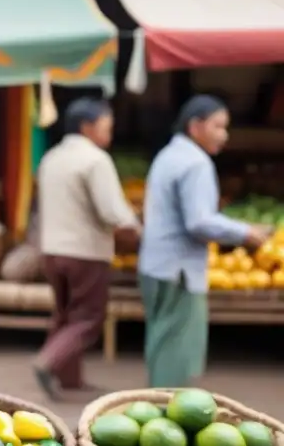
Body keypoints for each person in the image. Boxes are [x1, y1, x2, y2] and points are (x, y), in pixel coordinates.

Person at [139, 95, 270, 388]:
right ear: (195, 126)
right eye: (218, 126)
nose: (224, 135)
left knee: (162, 343)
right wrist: (246, 233)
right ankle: (164, 414)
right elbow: (199, 221)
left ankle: (155, 406)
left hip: (156, 265)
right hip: (179, 271)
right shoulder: (195, 163)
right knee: (177, 351)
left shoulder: (169, 154)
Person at [34, 98, 139, 399]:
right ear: (88, 126)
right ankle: (47, 361)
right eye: (108, 125)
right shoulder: (95, 159)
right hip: (86, 251)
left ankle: (70, 380)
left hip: (52, 250)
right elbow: (112, 212)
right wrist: (136, 227)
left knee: (65, 315)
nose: (110, 132)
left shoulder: (51, 157)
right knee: (87, 319)